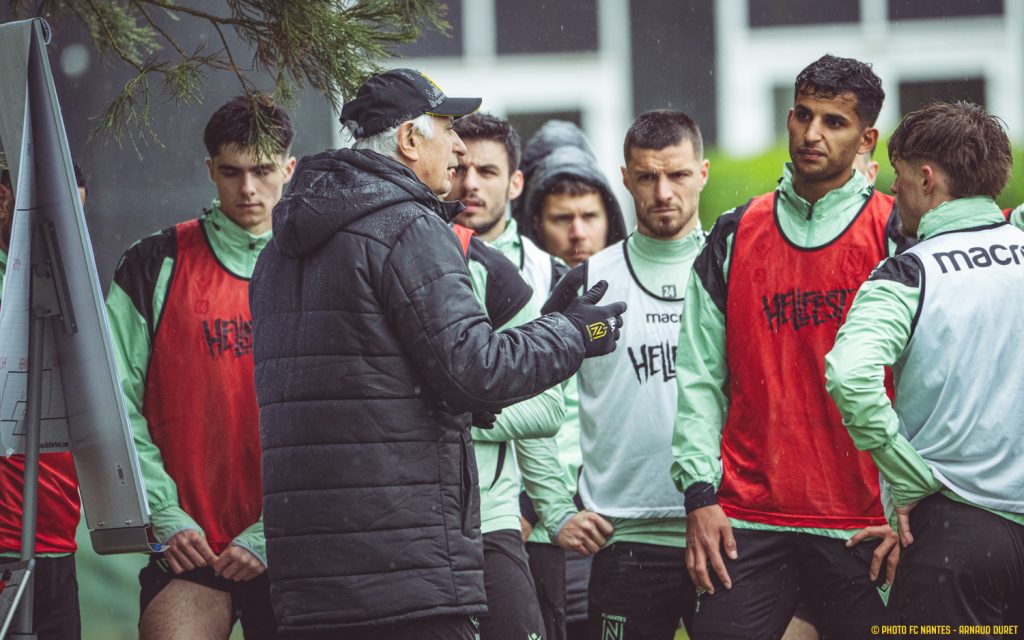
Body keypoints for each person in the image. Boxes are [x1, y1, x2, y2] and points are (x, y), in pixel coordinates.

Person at [249, 68, 626, 640]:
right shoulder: (409, 226)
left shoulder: (278, 251)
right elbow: (476, 371)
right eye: (448, 130)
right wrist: (573, 334)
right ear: (407, 141)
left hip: (307, 583)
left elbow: (377, 388)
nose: (458, 147)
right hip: (406, 571)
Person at [672, 54, 902, 638]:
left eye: (834, 121)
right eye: (802, 115)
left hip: (864, 525)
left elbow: (933, 381)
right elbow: (700, 377)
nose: (812, 134)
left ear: (866, 138)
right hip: (747, 521)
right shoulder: (733, 233)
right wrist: (699, 494)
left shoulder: (899, 233)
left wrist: (912, 506)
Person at [826, 101, 1024, 627]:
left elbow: (849, 375)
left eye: (900, 180)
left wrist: (907, 476)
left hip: (955, 535)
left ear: (928, 179)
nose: (894, 196)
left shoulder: (907, 272)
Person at [106, 95, 295, 640]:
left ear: (289, 168)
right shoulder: (152, 262)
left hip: (293, 545)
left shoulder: (323, 263)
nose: (248, 190)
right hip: (188, 547)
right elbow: (115, 404)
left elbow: (348, 417)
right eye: (231, 173)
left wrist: (273, 530)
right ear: (210, 170)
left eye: (262, 171)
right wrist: (164, 514)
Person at [542, 110, 707, 639]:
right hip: (623, 537)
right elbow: (534, 398)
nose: (663, 192)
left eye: (677, 175)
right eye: (646, 177)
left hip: (724, 526)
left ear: (702, 172)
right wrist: (551, 507)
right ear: (624, 178)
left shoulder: (734, 266)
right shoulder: (587, 280)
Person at [449, 113, 581, 640]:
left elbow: (565, 408)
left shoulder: (553, 276)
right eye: (461, 168)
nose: (471, 184)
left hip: (537, 514)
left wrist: (538, 505)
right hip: (448, 512)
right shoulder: (423, 260)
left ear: (516, 181)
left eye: (487, 170)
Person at [0, 159, 87, 640]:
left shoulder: (76, 291)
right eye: (58, 221)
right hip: (6, 546)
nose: (68, 238)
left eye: (78, 219)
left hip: (57, 541)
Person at [516, 121, 628, 268]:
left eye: (590, 216)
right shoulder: (506, 288)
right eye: (562, 218)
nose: (578, 234)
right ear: (536, 225)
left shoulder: (633, 286)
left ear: (610, 219)